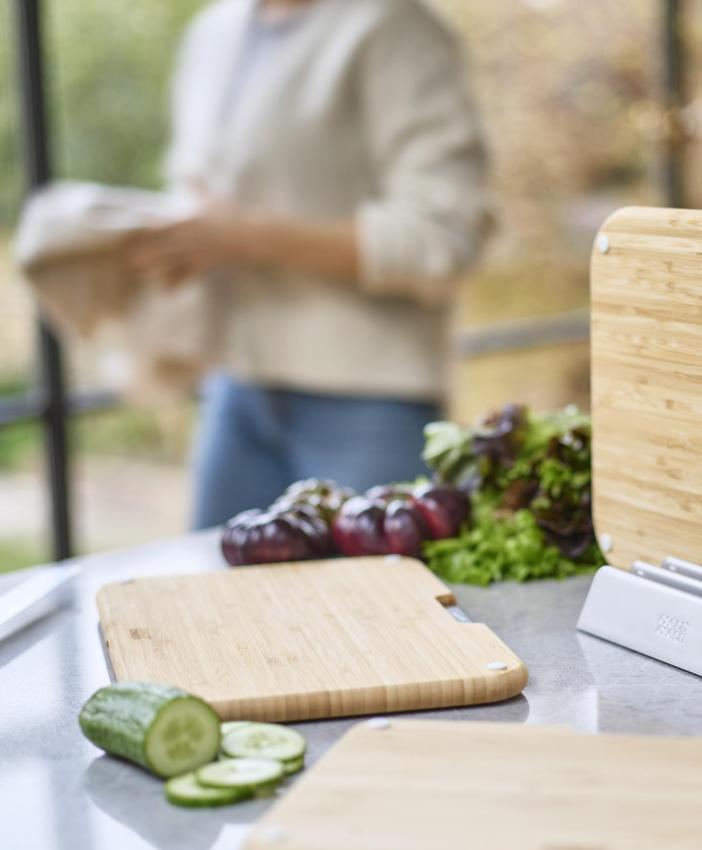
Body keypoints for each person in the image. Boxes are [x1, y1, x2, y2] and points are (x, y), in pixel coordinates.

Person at [126, 0, 491, 527]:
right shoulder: (213, 32)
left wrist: (246, 238)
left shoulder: (396, 28)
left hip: (370, 399)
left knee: (375, 583)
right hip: (236, 387)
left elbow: (444, 237)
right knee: (210, 576)